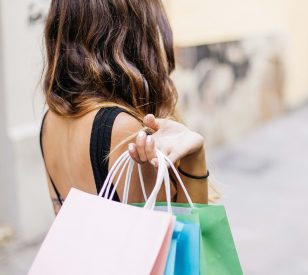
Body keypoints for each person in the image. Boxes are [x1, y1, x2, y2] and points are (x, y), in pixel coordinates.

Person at [39, 0, 210, 214]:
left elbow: (63, 216)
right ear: (136, 34)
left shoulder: (49, 121)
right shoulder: (123, 128)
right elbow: (188, 234)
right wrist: (196, 158)